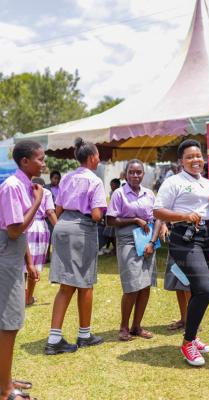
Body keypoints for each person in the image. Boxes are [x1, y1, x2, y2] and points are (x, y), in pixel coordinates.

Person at [154, 139, 209, 367]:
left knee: (197, 290)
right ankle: (188, 342)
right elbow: (158, 210)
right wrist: (184, 216)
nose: (196, 160)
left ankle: (194, 336)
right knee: (204, 289)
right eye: (190, 157)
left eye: (198, 156)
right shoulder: (173, 182)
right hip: (184, 238)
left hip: (205, 235)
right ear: (181, 162)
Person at [45, 138, 107, 356]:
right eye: (98, 155)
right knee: (85, 282)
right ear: (91, 158)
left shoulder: (67, 178)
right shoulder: (95, 181)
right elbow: (97, 214)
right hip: (82, 228)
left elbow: (58, 208)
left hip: (62, 227)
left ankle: (54, 337)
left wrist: (59, 228)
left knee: (66, 284)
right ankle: (84, 334)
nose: (99, 159)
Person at [0, 140, 44, 400]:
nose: (44, 162)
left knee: (10, 322)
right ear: (25, 161)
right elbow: (15, 230)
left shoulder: (23, 186)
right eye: (40, 158)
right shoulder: (13, 187)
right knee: (8, 324)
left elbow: (18, 231)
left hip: (13, 256)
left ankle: (4, 378)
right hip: (6, 257)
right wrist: (38, 201)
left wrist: (28, 261)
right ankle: (5, 391)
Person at [107, 160, 163, 341]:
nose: (135, 176)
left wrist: (153, 243)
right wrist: (135, 220)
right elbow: (110, 220)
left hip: (148, 242)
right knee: (131, 286)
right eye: (131, 172)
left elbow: (157, 218)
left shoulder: (149, 194)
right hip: (127, 241)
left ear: (143, 175)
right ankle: (123, 327)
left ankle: (136, 326)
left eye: (139, 172)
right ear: (125, 174)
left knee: (145, 285)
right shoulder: (119, 193)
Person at [25, 177, 57, 306]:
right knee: (34, 265)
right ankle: (28, 297)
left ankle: (19, 296)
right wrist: (59, 229)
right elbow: (49, 212)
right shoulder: (46, 192)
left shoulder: (23, 189)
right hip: (39, 228)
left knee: (23, 263)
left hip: (24, 225)